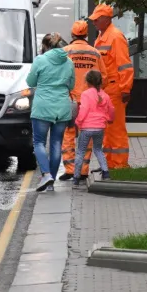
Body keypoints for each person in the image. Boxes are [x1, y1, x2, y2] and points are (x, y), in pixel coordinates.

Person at [25, 32, 75, 192]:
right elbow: (72, 86)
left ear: (46, 46)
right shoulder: (68, 62)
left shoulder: (40, 60)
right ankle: (51, 183)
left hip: (43, 107)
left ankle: (46, 174)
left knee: (39, 142)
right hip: (62, 107)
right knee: (56, 144)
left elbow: (30, 82)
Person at [59, 21, 107, 181]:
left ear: (72, 35)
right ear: (86, 35)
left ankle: (70, 169)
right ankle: (84, 170)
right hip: (90, 102)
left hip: (70, 100)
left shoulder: (65, 52)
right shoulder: (95, 53)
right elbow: (104, 78)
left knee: (68, 135)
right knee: (86, 137)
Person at [89, 4, 134, 169]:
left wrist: (125, 89)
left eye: (96, 19)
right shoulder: (101, 37)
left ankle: (120, 164)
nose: (93, 22)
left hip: (115, 90)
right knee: (107, 129)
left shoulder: (115, 37)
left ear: (106, 19)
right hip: (105, 91)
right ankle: (108, 163)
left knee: (116, 128)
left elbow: (125, 65)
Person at [73, 70, 115, 184]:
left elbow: (83, 110)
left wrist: (77, 121)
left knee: (81, 152)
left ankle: (76, 178)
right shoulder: (104, 95)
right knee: (98, 150)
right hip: (100, 128)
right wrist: (110, 119)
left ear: (87, 82)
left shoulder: (86, 94)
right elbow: (111, 109)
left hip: (86, 128)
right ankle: (106, 173)